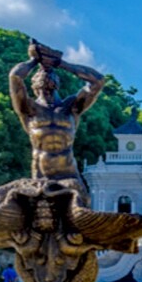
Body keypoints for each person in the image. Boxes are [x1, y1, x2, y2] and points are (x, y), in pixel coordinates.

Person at [9, 39, 105, 185]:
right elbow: (15, 76)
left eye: (48, 72)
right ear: (33, 85)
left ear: (58, 83)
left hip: (70, 175)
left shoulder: (71, 107)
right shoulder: (29, 109)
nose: (44, 73)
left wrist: (60, 63)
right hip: (41, 177)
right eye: (39, 73)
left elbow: (98, 81)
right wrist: (34, 60)